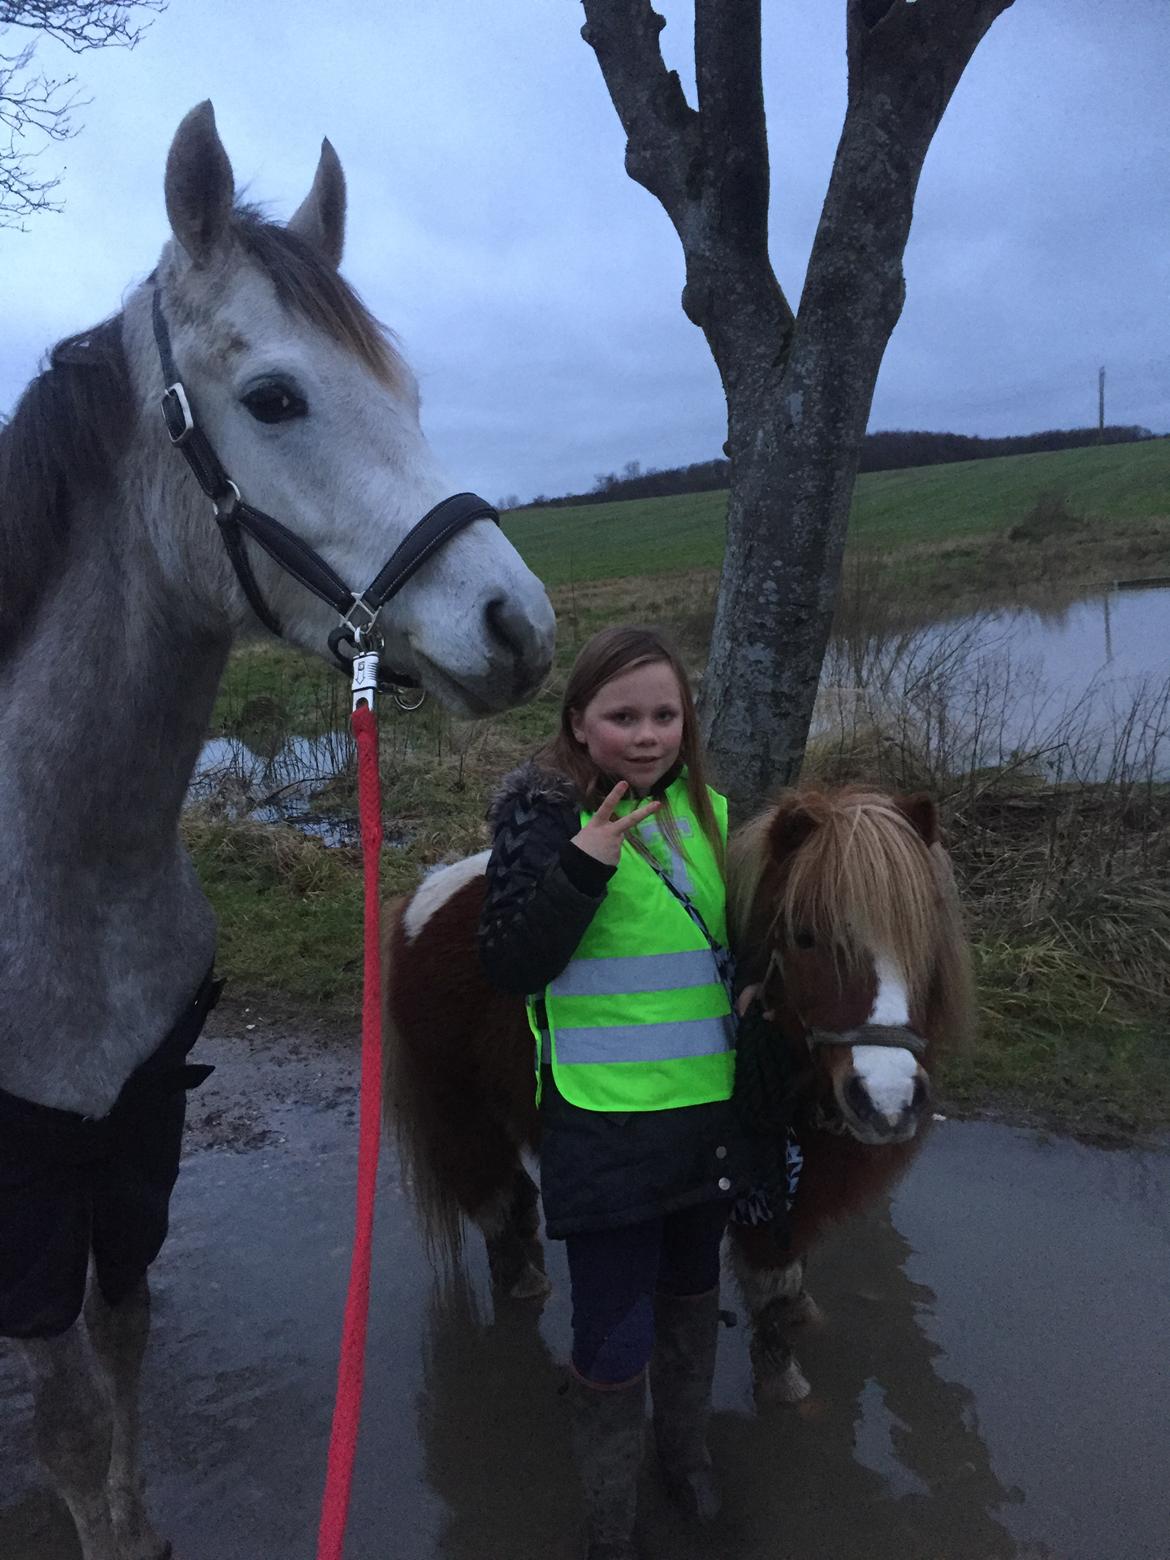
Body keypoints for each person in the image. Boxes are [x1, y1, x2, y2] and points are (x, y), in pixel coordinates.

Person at [477, 624, 749, 1560]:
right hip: (604, 1136)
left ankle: (688, 1459)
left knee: (689, 1301)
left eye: (664, 714)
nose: (647, 734)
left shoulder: (711, 813)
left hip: (703, 1131)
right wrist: (583, 865)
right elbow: (512, 964)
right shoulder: (547, 822)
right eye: (622, 716)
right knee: (613, 1334)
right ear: (578, 725)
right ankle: (609, 1522)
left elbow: (720, 956)